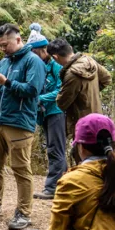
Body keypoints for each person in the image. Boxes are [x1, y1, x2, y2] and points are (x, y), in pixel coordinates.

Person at [0, 23, 46, 230]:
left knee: (20, 168)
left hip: (20, 123)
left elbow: (32, 90)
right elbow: (0, 92)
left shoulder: (33, 61)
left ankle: (23, 212)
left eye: (5, 44)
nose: (2, 49)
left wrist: (6, 82)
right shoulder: (3, 62)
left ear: (18, 40)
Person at [26, 24, 66, 201]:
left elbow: (60, 89)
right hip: (45, 113)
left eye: (33, 52)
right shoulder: (39, 66)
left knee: (56, 149)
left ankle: (52, 188)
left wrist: (41, 99)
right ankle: (61, 185)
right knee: (52, 148)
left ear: (42, 50)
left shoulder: (56, 66)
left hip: (56, 111)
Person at [45, 38, 111, 135]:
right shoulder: (89, 61)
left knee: (83, 149)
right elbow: (107, 79)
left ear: (55, 57)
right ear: (70, 48)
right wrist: (90, 93)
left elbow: (62, 102)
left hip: (82, 123)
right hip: (97, 117)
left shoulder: (71, 74)